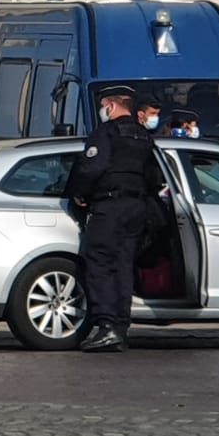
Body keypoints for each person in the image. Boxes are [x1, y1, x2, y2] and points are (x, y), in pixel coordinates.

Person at [64, 84, 163, 353]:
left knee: (100, 263)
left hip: (110, 207)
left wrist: (79, 194)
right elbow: (154, 178)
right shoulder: (143, 136)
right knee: (123, 266)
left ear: (111, 105)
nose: (102, 111)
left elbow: (91, 168)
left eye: (103, 106)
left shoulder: (106, 133)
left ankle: (106, 324)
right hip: (136, 208)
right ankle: (120, 327)